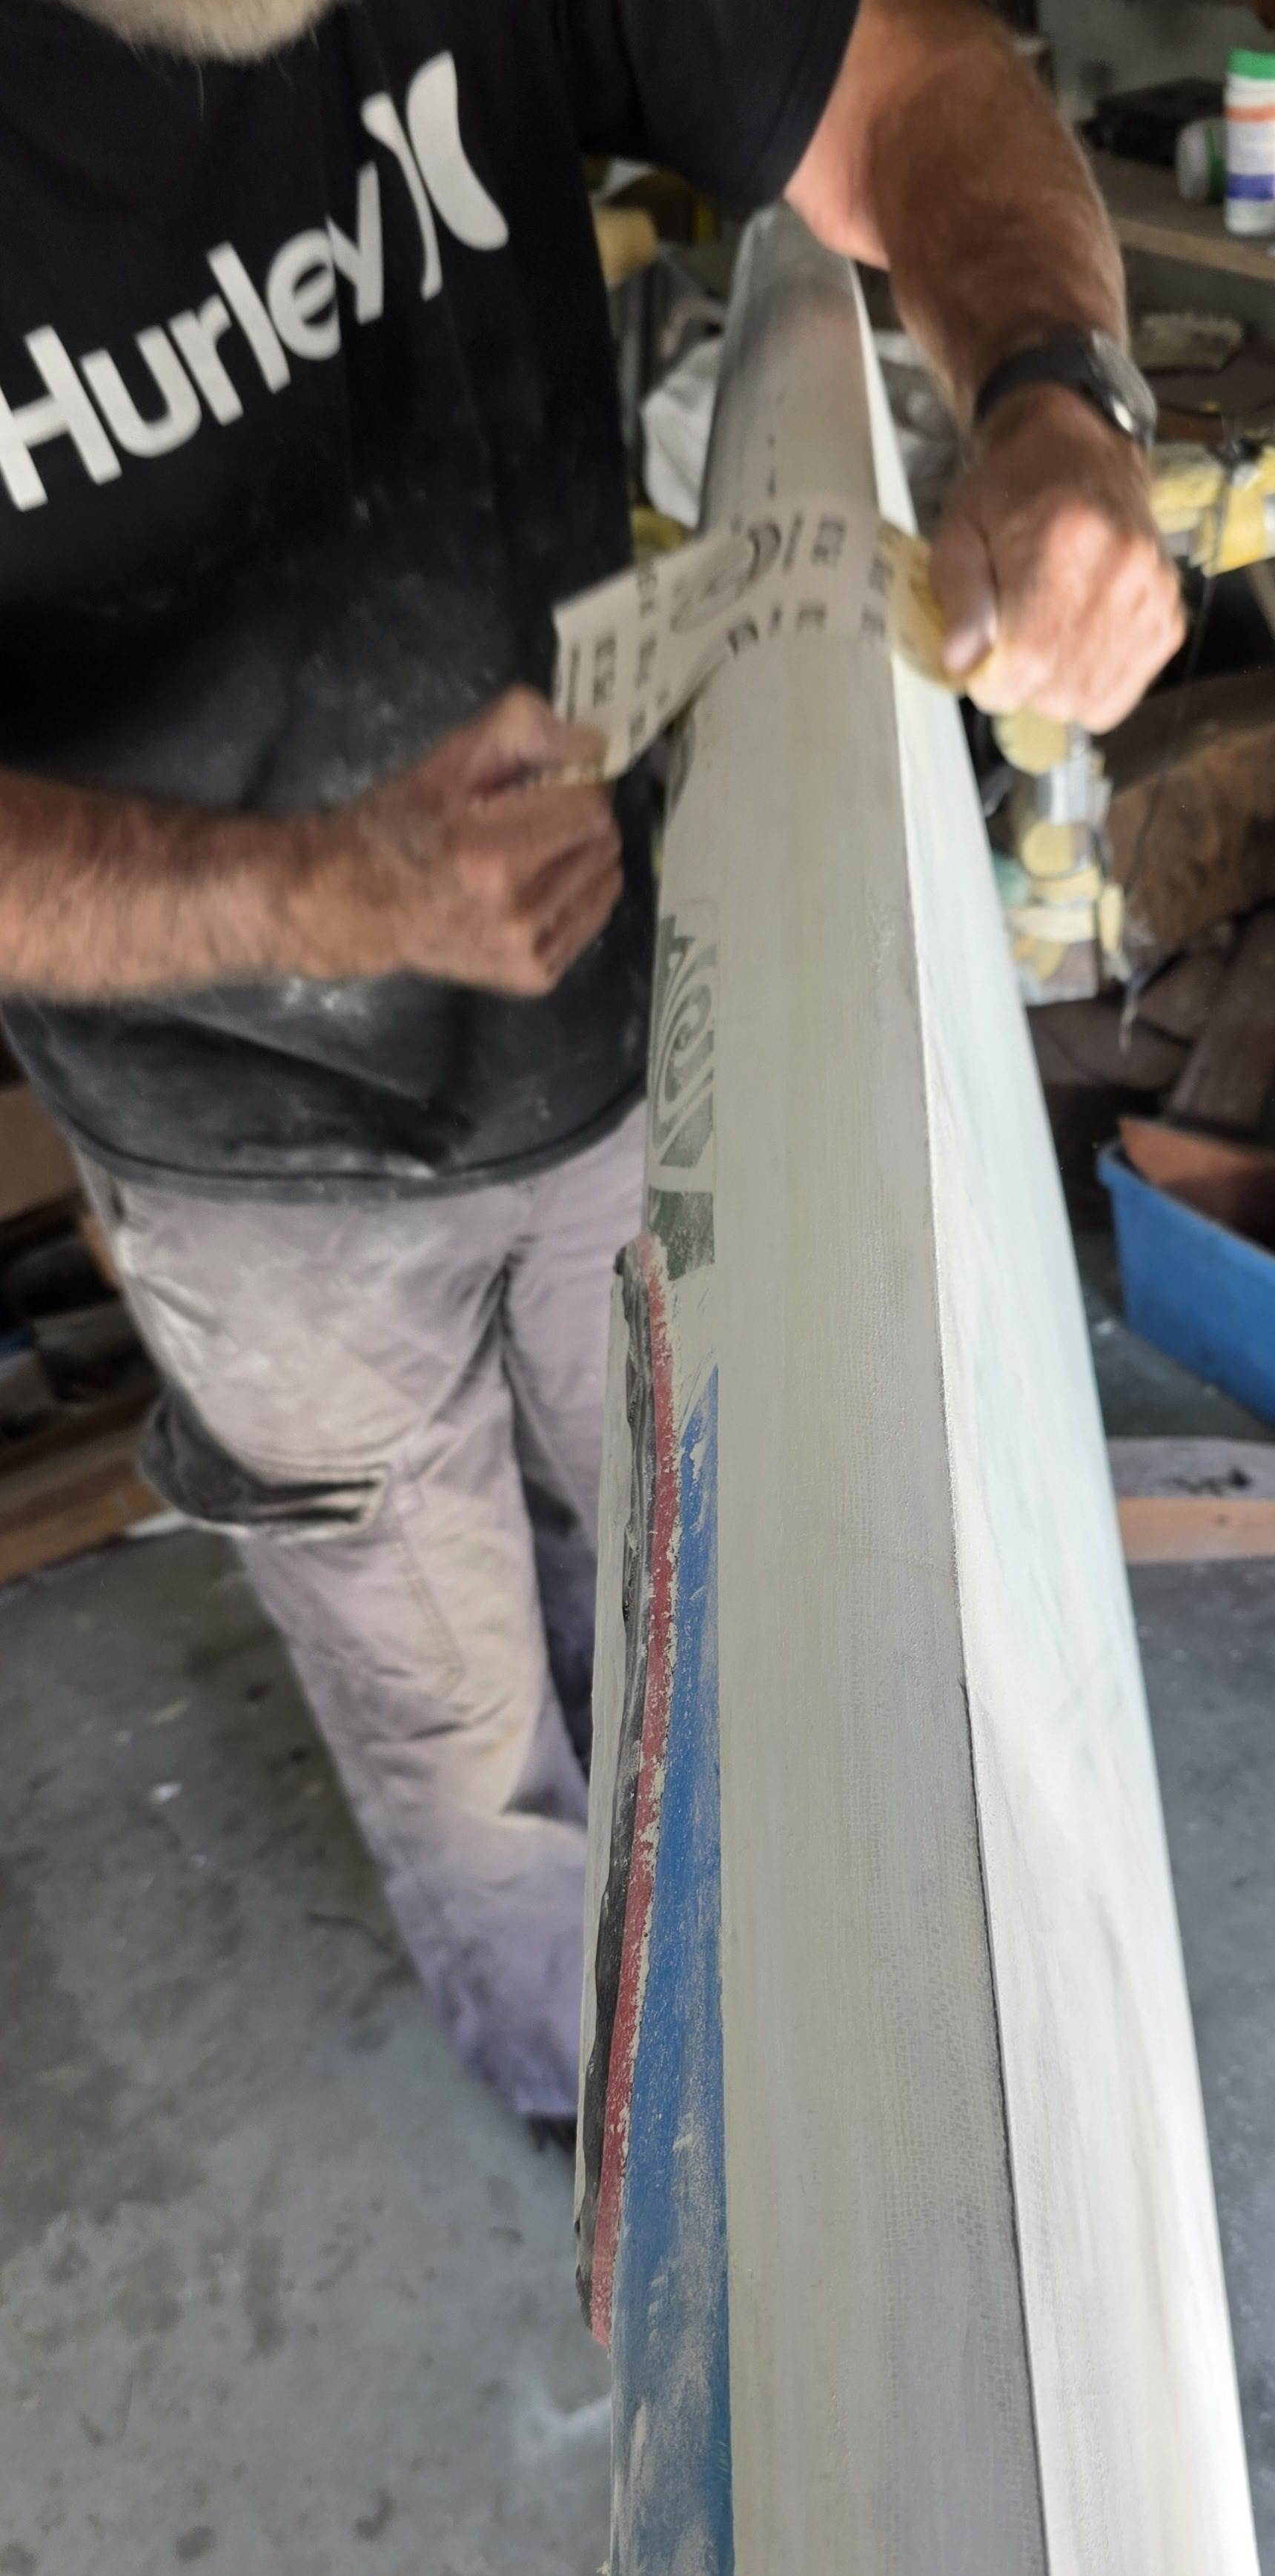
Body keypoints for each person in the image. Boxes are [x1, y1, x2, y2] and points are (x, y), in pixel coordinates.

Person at [0, 0, 1182, 2118]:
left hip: (608, 1018)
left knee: (681, 1558)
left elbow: (908, 86)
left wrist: (1055, 393)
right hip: (232, 1154)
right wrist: (301, 896)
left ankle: (719, 1985)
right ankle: (593, 2104)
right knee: (452, 1712)